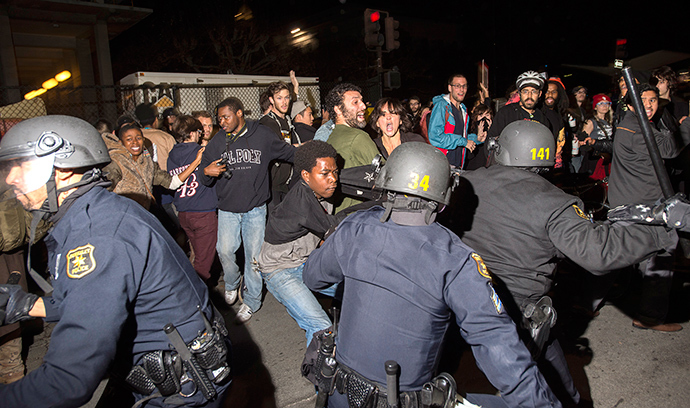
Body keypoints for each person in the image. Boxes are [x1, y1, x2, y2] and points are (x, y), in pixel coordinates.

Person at [303, 142, 561, 408]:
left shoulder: (354, 227)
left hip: (338, 394)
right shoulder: (455, 258)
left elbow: (313, 277)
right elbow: (498, 346)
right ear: (443, 195)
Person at [441, 120, 678, 406]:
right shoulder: (554, 203)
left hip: (461, 303)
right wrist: (663, 231)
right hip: (517, 316)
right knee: (563, 393)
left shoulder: (465, 182)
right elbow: (599, 253)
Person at [0, 115, 231, 407]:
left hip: (180, 390)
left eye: (21, 167)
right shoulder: (95, 211)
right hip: (161, 370)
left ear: (63, 171)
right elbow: (97, 300)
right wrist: (25, 306)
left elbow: (65, 381)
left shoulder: (99, 235)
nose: (11, 178)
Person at [199, 97, 295, 323]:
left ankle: (251, 300)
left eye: (226, 117)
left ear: (239, 113)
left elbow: (288, 153)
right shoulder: (217, 141)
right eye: (219, 118)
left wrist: (311, 157)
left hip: (255, 209)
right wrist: (206, 172)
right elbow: (203, 176)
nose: (221, 122)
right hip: (228, 209)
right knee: (224, 250)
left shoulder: (261, 135)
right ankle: (232, 283)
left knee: (253, 258)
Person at [608, 83, 683, 332]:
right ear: (630, 103)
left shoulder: (635, 123)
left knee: (620, 254)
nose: (650, 105)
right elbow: (671, 147)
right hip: (642, 205)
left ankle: (588, 301)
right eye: (644, 100)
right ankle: (649, 316)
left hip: (635, 202)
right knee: (662, 249)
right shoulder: (636, 129)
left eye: (653, 100)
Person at [257, 141, 346, 343]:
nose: (333, 179)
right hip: (280, 269)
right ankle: (320, 371)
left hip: (306, 262)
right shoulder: (302, 203)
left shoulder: (322, 187)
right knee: (322, 329)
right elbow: (334, 232)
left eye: (335, 172)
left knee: (360, 290)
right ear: (306, 176)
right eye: (325, 174)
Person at [106, 123, 202, 210]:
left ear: (143, 140)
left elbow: (172, 183)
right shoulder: (116, 163)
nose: (135, 142)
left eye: (138, 138)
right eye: (129, 139)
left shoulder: (147, 162)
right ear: (120, 143)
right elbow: (104, 193)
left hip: (143, 214)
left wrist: (195, 162)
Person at [168, 115, 217, 282]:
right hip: (203, 211)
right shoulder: (200, 152)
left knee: (196, 254)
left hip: (183, 212)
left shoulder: (172, 154)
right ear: (192, 133)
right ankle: (198, 295)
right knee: (203, 262)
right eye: (199, 131)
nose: (201, 134)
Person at [324, 83, 380, 213]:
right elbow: (387, 176)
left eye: (361, 101)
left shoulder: (332, 136)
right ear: (338, 110)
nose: (363, 106)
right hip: (358, 217)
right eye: (355, 102)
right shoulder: (358, 137)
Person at [428, 74, 486, 169]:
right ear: (450, 88)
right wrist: (463, 141)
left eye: (464, 86)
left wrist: (476, 139)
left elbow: (462, 136)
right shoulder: (442, 106)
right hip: (441, 164)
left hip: (458, 165)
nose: (461, 89)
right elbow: (435, 137)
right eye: (457, 86)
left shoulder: (463, 110)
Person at [260, 81, 301, 212]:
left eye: (286, 97)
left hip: (285, 184)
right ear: (271, 100)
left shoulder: (286, 120)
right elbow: (281, 149)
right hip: (272, 186)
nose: (284, 102)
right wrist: (304, 147)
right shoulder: (267, 123)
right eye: (279, 98)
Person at [578, 94, 614, 178]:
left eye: (607, 103)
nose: (604, 106)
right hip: (596, 158)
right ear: (595, 107)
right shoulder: (590, 122)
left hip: (608, 157)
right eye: (601, 104)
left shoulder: (612, 121)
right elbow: (583, 141)